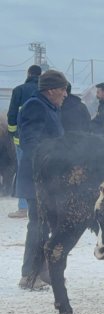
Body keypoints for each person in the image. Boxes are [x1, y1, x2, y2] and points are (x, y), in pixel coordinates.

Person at [17, 70, 68, 289]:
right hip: (38, 179)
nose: (65, 94)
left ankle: (43, 271)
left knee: (46, 223)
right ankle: (29, 275)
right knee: (38, 225)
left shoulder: (50, 107)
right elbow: (31, 143)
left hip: (47, 179)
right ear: (51, 90)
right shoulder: (35, 106)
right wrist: (52, 163)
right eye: (63, 89)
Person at [6, 64, 42, 219]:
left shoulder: (19, 90)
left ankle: (23, 208)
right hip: (42, 140)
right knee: (41, 171)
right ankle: (41, 206)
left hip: (22, 140)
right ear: (40, 75)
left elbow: (12, 114)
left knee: (23, 171)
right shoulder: (44, 91)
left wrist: (13, 132)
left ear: (28, 73)